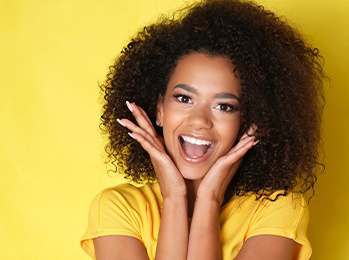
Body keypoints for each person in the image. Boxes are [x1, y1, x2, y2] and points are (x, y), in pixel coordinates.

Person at [80, 0, 325, 259]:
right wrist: (173, 198)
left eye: (224, 106)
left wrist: (210, 200)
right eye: (184, 98)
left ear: (249, 120)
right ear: (160, 109)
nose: (200, 120)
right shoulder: (119, 207)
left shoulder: (277, 209)